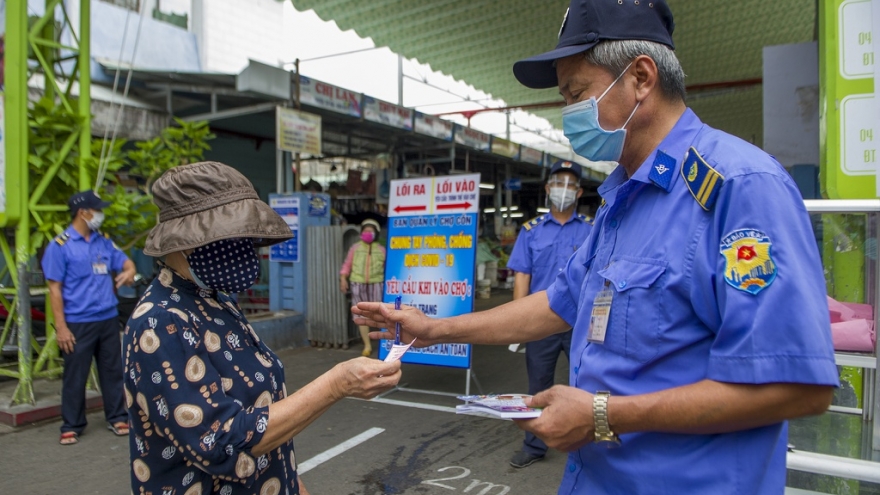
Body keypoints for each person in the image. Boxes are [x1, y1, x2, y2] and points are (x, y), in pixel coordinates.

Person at [353, 0, 839, 493]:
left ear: (641, 78)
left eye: (577, 92)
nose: (568, 113)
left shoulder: (739, 186)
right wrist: (436, 329)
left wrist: (604, 415)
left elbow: (797, 387)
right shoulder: (620, 198)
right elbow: (560, 301)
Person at [124, 161, 401, 495]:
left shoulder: (216, 300)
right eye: (230, 236)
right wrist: (337, 384)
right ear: (184, 241)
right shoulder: (161, 321)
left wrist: (291, 483)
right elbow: (220, 442)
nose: (243, 246)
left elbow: (259, 417)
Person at [506, 160, 591, 469]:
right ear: (547, 188)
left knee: (588, 381)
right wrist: (519, 324)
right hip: (542, 323)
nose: (563, 189)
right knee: (538, 386)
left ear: (579, 191)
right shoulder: (531, 232)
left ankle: (590, 445)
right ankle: (534, 445)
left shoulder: (592, 230)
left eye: (570, 184)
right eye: (558, 183)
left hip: (581, 322)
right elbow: (522, 278)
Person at [41, 189, 137, 445]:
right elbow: (54, 289)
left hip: (107, 317)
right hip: (78, 322)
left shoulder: (103, 241)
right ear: (84, 213)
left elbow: (126, 263)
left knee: (112, 371)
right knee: (76, 374)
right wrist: (61, 327)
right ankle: (71, 425)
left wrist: (129, 271)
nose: (100, 214)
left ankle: (117, 417)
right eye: (97, 209)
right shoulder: (59, 246)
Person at [339, 219, 386, 356]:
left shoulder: (381, 250)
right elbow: (347, 265)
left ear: (376, 233)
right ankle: (367, 345)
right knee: (361, 313)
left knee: (380, 314)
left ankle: (382, 343)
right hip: (357, 283)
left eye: (370, 231)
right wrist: (343, 279)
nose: (367, 233)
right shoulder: (356, 248)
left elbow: (386, 268)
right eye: (365, 231)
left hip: (376, 283)